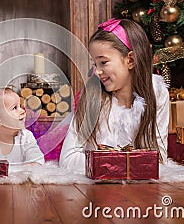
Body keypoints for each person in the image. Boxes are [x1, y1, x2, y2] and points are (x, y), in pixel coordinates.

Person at [59, 18, 169, 174]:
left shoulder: (157, 93)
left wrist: (112, 161)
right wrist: (120, 161)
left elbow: (159, 159)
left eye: (103, 62)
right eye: (94, 64)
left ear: (130, 60)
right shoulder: (92, 96)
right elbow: (67, 159)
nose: (97, 71)